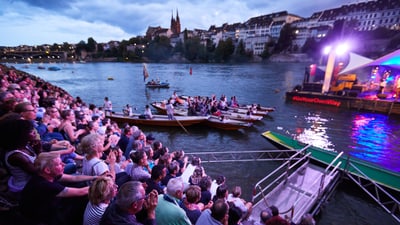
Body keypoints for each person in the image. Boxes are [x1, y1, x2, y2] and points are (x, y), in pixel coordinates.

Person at [19, 152, 96, 225]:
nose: (64, 164)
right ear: (47, 170)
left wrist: (96, 177)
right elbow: (81, 192)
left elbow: (74, 178)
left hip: (46, 205)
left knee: (81, 186)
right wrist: (102, 183)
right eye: (59, 164)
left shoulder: (47, 175)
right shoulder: (45, 185)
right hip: (40, 216)